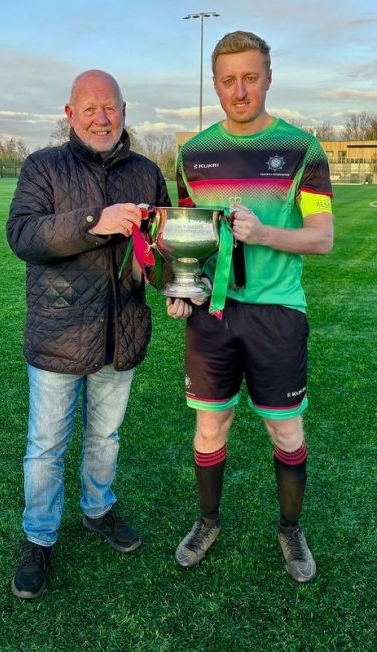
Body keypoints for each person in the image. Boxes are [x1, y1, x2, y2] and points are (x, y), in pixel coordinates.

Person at [167, 31, 333, 583]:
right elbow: (189, 238)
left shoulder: (302, 149)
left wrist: (261, 232)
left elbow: (322, 238)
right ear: (215, 83)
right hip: (212, 314)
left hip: (277, 313)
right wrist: (184, 286)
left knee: (286, 432)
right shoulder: (192, 154)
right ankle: (207, 520)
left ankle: (290, 529)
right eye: (228, 80)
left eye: (251, 77)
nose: (240, 91)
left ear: (268, 77)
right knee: (211, 426)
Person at [6, 69, 170, 599]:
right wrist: (93, 221)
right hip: (59, 333)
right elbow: (24, 235)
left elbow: (163, 244)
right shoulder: (43, 166)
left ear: (124, 110)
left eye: (111, 107)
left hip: (121, 332)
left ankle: (98, 510)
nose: (102, 118)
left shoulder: (146, 172)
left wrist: (177, 283)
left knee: (105, 438)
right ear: (70, 114)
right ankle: (39, 536)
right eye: (90, 108)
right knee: (46, 446)